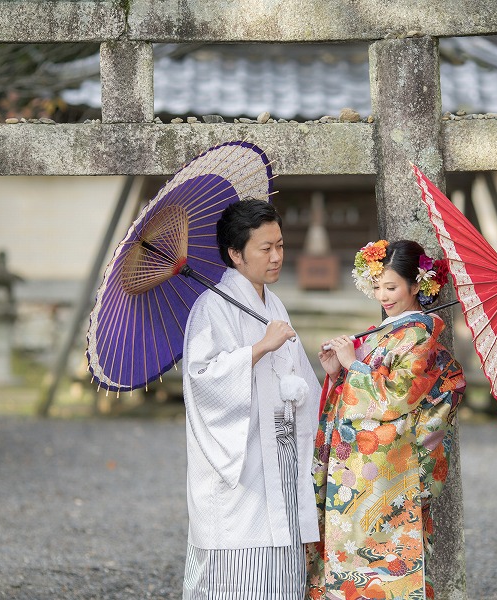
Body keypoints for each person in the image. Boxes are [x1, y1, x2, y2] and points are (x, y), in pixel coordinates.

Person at [307, 239, 466, 600]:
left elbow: (396, 398)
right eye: (377, 286)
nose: (383, 295)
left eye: (391, 287)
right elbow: (368, 390)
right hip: (362, 469)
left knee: (384, 562)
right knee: (349, 554)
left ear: (416, 285)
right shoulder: (392, 332)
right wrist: (336, 374)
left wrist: (353, 365)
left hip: (390, 472)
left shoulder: (420, 335)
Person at [182, 199, 322, 599]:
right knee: (236, 576)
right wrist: (258, 349)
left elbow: (295, 378)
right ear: (235, 254)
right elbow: (201, 377)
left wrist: (325, 372)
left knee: (281, 573)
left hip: (278, 456)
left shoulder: (272, 304)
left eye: (280, 245)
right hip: (241, 467)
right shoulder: (212, 307)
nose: (277, 256)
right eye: (265, 249)